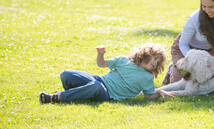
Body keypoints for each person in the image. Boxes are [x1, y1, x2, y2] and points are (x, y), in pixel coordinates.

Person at [39, 43, 176, 104]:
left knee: (96, 87)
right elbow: (101, 64)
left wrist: (159, 93)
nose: (155, 63)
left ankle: (56, 97)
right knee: (66, 74)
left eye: (158, 62)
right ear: (147, 53)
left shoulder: (146, 78)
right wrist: (100, 55)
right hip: (99, 80)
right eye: (155, 58)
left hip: (107, 94)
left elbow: (147, 96)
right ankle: (78, 94)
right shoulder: (124, 60)